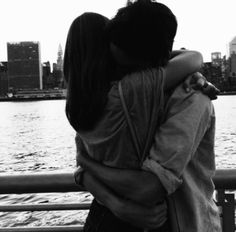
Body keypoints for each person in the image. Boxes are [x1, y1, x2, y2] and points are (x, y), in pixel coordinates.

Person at [64, 1, 221, 232]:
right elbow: (149, 188)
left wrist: (87, 170)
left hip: (107, 219)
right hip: (163, 221)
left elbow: (85, 164)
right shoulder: (133, 92)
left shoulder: (85, 104)